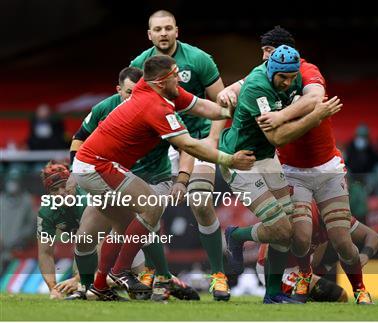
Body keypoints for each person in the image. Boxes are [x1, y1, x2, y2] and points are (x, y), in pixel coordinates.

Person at [72, 55, 254, 301]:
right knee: (151, 206)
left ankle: (100, 286)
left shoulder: (162, 91)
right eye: (175, 75)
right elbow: (189, 145)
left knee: (123, 222)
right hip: (97, 166)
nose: (179, 78)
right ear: (160, 81)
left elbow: (205, 107)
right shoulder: (154, 106)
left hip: (95, 165)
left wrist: (229, 105)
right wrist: (230, 160)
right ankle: (121, 271)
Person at [221, 26, 375, 304]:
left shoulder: (299, 73)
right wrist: (228, 94)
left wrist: (278, 113)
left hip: (304, 164)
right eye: (264, 55)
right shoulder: (261, 81)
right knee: (288, 230)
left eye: (268, 52)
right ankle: (238, 237)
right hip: (247, 160)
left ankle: (278, 294)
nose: (264, 59)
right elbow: (276, 133)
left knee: (326, 237)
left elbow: (315, 97)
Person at [68, 67, 199, 301]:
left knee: (144, 218)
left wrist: (182, 179)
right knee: (86, 236)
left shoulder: (158, 108)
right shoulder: (106, 108)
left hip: (153, 178)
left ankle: (158, 280)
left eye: (137, 91)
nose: (133, 97)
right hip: (110, 176)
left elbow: (186, 147)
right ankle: (92, 287)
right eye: (128, 92)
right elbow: (80, 137)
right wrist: (71, 170)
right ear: (119, 90)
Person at [130, 10, 231, 300]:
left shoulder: (199, 59)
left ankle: (218, 276)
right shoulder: (139, 64)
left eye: (168, 28)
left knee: (199, 201)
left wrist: (213, 140)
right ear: (149, 34)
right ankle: (157, 276)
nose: (163, 33)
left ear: (177, 31)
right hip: (160, 145)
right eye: (157, 29)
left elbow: (222, 103)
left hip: (197, 140)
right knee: (147, 209)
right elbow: (129, 105)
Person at [36, 161, 147, 300]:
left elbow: (103, 239)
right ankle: (96, 287)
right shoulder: (46, 212)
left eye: (64, 186)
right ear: (49, 193)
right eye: (54, 190)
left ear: (71, 183)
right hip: (100, 250)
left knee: (145, 288)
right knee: (82, 252)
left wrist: (77, 279)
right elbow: (45, 253)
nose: (61, 193)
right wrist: (53, 288)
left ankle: (148, 279)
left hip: (127, 245)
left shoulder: (89, 198)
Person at [256, 208, 378, 304]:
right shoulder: (302, 213)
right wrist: (272, 286)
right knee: (334, 293)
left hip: (304, 266)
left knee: (340, 296)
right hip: (277, 269)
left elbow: (372, 236)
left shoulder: (337, 215)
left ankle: (305, 293)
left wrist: (365, 255)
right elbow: (269, 250)